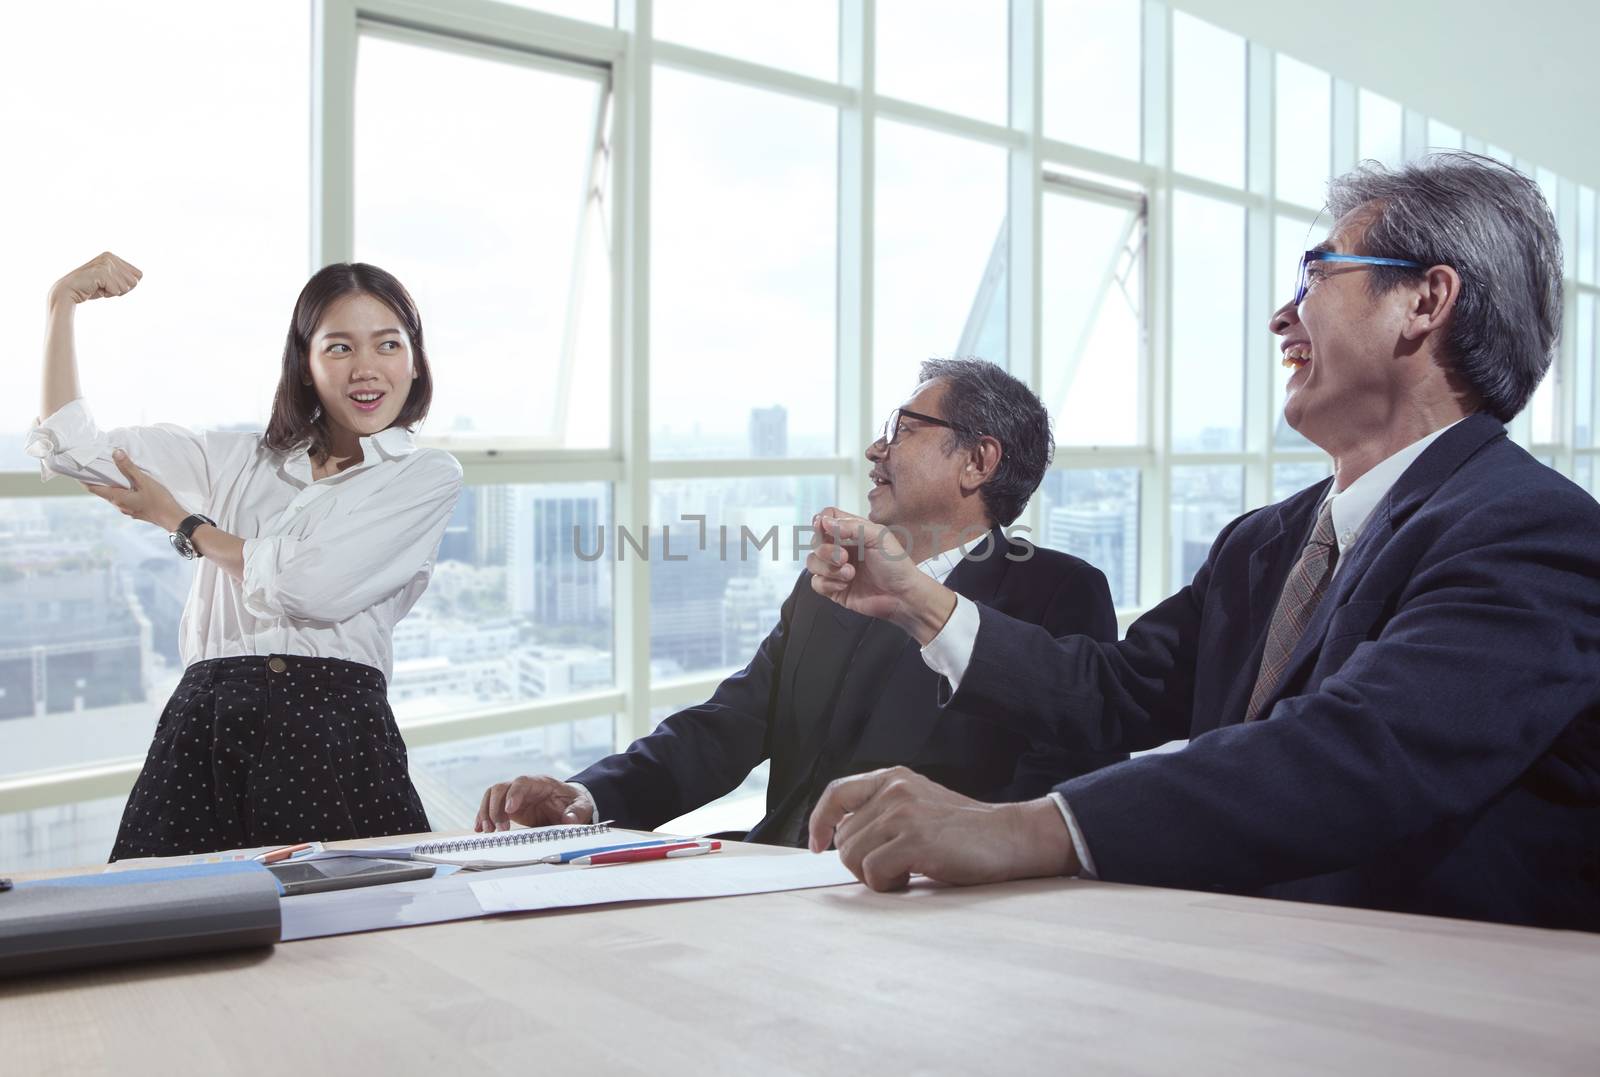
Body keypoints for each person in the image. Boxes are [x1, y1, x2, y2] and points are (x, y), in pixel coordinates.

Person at [802, 153, 1600, 931]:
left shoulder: (1533, 532)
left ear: (1426, 300)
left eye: (1317, 274)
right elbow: (1113, 695)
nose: (1282, 316)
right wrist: (915, 599)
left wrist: (1023, 828)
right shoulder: (1264, 542)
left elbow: (1358, 754)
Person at [476, 359, 1124, 844]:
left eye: (903, 429)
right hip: (770, 886)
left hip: (928, 913)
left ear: (977, 462)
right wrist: (585, 797)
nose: (876, 449)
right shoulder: (837, 580)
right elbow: (729, 723)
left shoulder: (1057, 592)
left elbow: (1060, 796)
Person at [28, 252, 463, 860]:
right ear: (306, 365)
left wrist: (182, 522)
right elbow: (76, 452)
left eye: (388, 345)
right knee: (166, 932)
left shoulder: (424, 475)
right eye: (339, 348)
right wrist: (61, 303)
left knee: (350, 939)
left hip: (336, 730)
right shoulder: (235, 460)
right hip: (203, 724)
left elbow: (309, 587)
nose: (367, 368)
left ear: (414, 363)